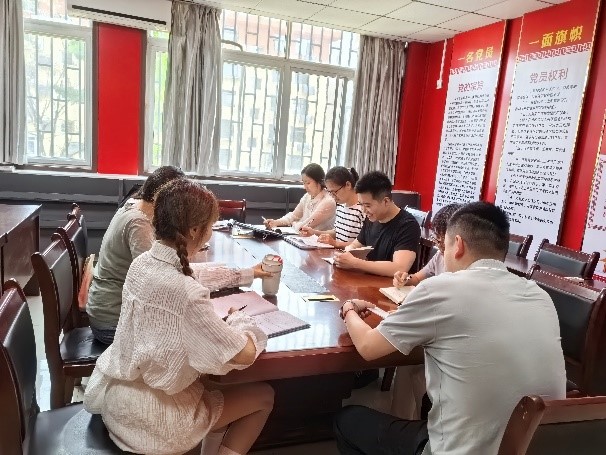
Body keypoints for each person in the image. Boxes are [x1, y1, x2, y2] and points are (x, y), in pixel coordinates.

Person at [334, 202, 566, 455]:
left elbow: (368, 347)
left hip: (460, 450)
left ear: (458, 245)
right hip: (536, 446)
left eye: (442, 246)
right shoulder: (540, 295)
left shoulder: (441, 288)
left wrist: (349, 309)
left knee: (347, 420)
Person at [84, 179, 274, 455]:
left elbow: (183, 289)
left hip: (118, 405)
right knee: (264, 396)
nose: (210, 234)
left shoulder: (140, 265)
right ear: (195, 230)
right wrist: (240, 321)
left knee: (209, 387)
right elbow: (243, 354)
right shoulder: (186, 292)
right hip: (157, 424)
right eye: (210, 227)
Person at [87, 165, 185, 344]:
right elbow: (155, 280)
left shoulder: (132, 206)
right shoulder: (139, 224)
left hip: (105, 310)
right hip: (112, 322)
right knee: (187, 337)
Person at [390, 203, 462, 420]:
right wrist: (405, 278)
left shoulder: (465, 270)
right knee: (406, 360)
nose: (438, 246)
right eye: (437, 240)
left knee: (409, 357)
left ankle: (414, 420)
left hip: (448, 341)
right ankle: (403, 420)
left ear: (457, 240)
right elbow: (419, 277)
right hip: (435, 325)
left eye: (441, 240)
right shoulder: (441, 255)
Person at [334, 171, 420, 277]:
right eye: (361, 205)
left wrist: (355, 263)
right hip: (368, 281)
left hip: (390, 285)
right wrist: (347, 253)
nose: (364, 210)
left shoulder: (408, 225)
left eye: (368, 206)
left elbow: (399, 268)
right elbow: (356, 244)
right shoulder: (371, 218)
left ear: (386, 201)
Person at [393, 203, 463, 288]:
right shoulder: (439, 255)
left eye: (442, 240)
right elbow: (417, 278)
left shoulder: (468, 267)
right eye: (436, 237)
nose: (438, 244)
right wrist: (405, 279)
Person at [300, 166, 365, 248]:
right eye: (330, 192)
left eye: (334, 192)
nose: (333, 196)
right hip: (338, 253)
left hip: (351, 255)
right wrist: (314, 232)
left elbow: (364, 244)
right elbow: (336, 232)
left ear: (348, 185)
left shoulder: (363, 210)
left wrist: (335, 243)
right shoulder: (341, 206)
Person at [263, 163, 336, 232]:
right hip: (304, 238)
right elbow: (294, 216)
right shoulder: (307, 196)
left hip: (319, 240)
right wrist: (275, 222)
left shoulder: (328, 201)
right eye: (304, 183)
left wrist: (294, 224)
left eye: (308, 183)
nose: (305, 187)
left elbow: (305, 226)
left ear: (319, 181)